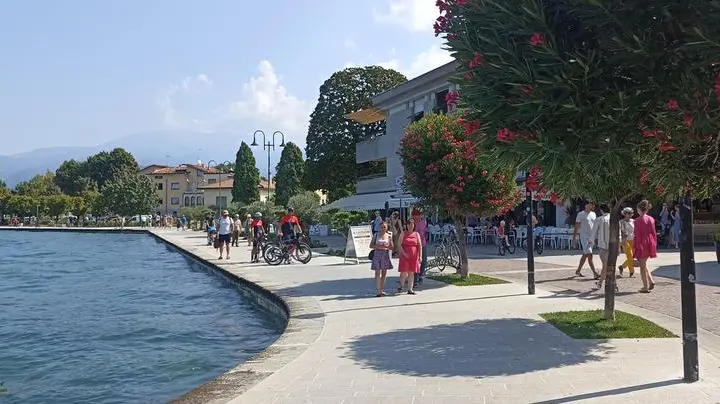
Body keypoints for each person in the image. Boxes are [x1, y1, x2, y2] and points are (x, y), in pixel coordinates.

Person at [588, 203, 619, 291]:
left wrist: (591, 242)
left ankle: (604, 283)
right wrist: (619, 246)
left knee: (605, 265)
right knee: (610, 265)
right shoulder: (615, 219)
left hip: (603, 245)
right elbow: (618, 233)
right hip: (613, 246)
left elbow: (593, 232)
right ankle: (607, 283)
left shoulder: (599, 219)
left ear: (601, 210)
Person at [634, 199, 657, 293]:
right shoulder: (651, 219)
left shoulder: (637, 220)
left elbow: (637, 235)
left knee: (642, 267)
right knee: (644, 263)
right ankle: (651, 281)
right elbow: (653, 233)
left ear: (639, 209)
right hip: (650, 242)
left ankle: (645, 286)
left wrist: (637, 246)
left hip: (642, 242)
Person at [572, 201, 599, 278]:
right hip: (584, 237)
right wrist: (574, 238)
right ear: (586, 205)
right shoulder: (581, 214)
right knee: (590, 254)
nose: (593, 205)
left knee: (585, 254)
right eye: (591, 204)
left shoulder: (593, 214)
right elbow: (576, 227)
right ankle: (595, 273)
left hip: (592, 237)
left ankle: (578, 270)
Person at [398, 217, 422, 295]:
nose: (410, 225)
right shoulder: (403, 233)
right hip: (405, 254)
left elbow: (420, 245)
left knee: (411, 272)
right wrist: (404, 253)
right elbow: (399, 244)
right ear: (407, 225)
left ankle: (410, 289)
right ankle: (401, 285)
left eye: (412, 224)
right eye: (409, 224)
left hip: (414, 255)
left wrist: (420, 256)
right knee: (404, 271)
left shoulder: (416, 234)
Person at [370, 221, 394, 297]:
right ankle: (378, 290)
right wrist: (378, 246)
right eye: (382, 227)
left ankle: (382, 289)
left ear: (387, 228)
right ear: (379, 227)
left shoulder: (389, 236)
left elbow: (392, 247)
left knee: (384, 273)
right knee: (377, 272)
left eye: (384, 227)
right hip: (377, 254)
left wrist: (387, 246)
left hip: (385, 255)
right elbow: (371, 245)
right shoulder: (376, 235)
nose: (383, 228)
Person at [412, 209, 428, 286]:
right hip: (414, 245)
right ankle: (415, 279)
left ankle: (420, 275)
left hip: (423, 243)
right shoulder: (412, 223)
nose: (416, 218)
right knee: (416, 262)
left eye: (417, 216)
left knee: (424, 260)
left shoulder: (423, 222)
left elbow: (424, 231)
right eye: (414, 216)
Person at [618, 207, 635, 277]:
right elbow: (621, 232)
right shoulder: (621, 222)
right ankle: (631, 271)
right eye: (629, 213)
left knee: (631, 256)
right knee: (630, 255)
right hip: (625, 240)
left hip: (633, 239)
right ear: (625, 214)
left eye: (631, 213)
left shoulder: (633, 221)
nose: (631, 214)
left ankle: (622, 266)